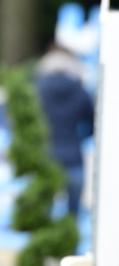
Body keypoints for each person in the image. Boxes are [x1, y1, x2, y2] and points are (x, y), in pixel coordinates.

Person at [35, 42, 95, 218]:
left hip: (45, 155)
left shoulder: (38, 87)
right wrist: (79, 137)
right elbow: (92, 124)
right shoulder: (79, 88)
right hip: (73, 156)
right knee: (72, 216)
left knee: (42, 215)